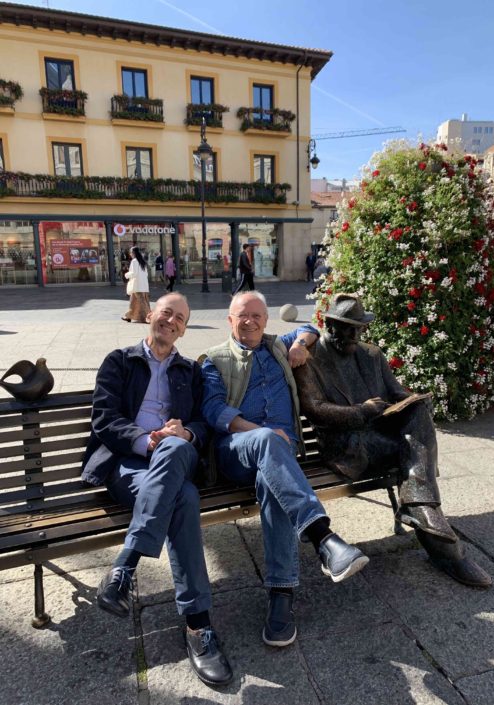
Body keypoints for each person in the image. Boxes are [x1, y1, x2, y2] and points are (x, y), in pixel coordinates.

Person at [201, 291, 370, 648]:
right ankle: (323, 539)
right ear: (230, 320)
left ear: (267, 320)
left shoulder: (279, 345)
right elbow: (214, 411)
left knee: (272, 481)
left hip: (279, 457)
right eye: (242, 316)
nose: (250, 322)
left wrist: (302, 344)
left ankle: (281, 596)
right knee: (269, 445)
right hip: (237, 451)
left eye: (258, 316)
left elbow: (310, 325)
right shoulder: (214, 360)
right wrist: (260, 433)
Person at [82, 293, 233, 686]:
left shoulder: (190, 371)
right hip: (128, 464)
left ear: (184, 328)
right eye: (166, 312)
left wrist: (184, 432)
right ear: (151, 315)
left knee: (173, 447)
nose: (171, 321)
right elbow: (105, 419)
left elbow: (202, 423)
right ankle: (199, 629)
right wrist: (147, 440)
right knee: (183, 497)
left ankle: (124, 568)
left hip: (175, 454)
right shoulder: (120, 360)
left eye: (180, 318)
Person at [293, 292, 492, 589]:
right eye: (348, 327)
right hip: (347, 445)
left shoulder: (371, 354)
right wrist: (362, 412)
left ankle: (421, 510)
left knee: (418, 417)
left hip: (382, 434)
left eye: (359, 327)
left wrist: (414, 400)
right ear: (329, 325)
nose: (354, 334)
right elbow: (315, 410)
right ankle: (442, 543)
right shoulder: (310, 359)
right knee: (411, 451)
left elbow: (396, 392)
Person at [122, 246, 150, 323]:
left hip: (137, 285)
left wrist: (126, 275)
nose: (130, 254)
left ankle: (150, 317)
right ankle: (129, 316)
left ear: (133, 253)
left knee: (142, 302)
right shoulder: (142, 261)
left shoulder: (134, 261)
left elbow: (134, 273)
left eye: (131, 252)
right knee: (133, 301)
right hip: (143, 285)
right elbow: (146, 274)